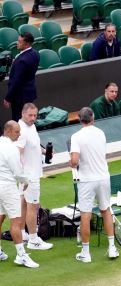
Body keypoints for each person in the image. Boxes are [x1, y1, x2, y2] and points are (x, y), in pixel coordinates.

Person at [70, 107, 119, 263]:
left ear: (79, 119)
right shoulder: (101, 133)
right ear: (93, 118)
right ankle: (112, 248)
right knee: (106, 210)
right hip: (103, 178)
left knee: (85, 215)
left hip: (87, 181)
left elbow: (74, 161)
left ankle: (86, 253)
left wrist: (71, 162)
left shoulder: (76, 137)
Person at [0, 121, 39, 268]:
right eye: (17, 131)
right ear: (8, 131)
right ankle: (21, 255)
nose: (19, 134)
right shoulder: (11, 149)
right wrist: (25, 181)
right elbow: (17, 171)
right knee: (16, 221)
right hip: (8, 188)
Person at [15, 103, 53, 250]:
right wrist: (21, 174)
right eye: (30, 115)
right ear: (23, 113)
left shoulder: (31, 127)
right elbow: (17, 153)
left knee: (24, 204)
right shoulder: (22, 131)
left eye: (35, 115)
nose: (33, 118)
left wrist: (44, 151)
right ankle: (33, 239)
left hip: (29, 174)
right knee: (33, 206)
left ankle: (23, 233)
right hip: (29, 176)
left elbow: (34, 145)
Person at [3, 32, 40, 122]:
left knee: (19, 121)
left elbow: (16, 81)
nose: (17, 43)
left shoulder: (22, 61)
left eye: (19, 41)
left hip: (20, 97)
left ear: (26, 44)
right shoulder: (35, 54)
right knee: (29, 120)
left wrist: (8, 98)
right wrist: (15, 64)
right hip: (29, 93)